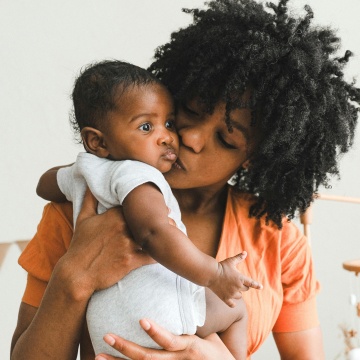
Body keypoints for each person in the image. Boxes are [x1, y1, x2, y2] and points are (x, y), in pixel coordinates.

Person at [11, 0, 360, 359]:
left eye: (226, 139)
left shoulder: (278, 242)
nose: (190, 138)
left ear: (252, 157)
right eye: (189, 112)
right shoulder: (75, 214)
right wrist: (74, 276)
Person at [36, 60, 261, 359]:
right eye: (146, 127)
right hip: (160, 321)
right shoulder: (139, 176)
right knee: (236, 310)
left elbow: (45, 185)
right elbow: (154, 231)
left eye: (169, 123)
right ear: (97, 140)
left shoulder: (86, 170)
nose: (170, 136)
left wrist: (84, 169)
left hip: (107, 333)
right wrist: (215, 273)